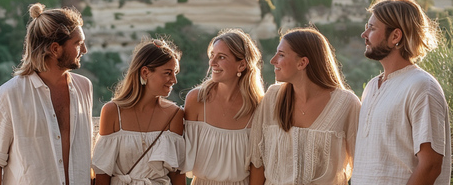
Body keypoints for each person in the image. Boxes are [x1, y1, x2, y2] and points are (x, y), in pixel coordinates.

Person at [0, 3, 92, 185]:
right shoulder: (8, 95)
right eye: (78, 43)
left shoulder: (84, 88)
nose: (84, 50)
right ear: (55, 49)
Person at [351, 0, 451, 184]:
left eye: (372, 29)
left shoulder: (421, 87)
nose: (364, 35)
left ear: (395, 36)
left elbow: (430, 165)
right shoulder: (372, 87)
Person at [248, 27, 361, 185]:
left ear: (302, 63)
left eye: (281, 55)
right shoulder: (272, 98)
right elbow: (257, 161)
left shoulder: (347, 104)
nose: (273, 60)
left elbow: (362, 165)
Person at [92, 38, 185, 185]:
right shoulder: (112, 112)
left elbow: (178, 174)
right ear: (145, 72)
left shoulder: (175, 114)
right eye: (168, 73)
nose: (174, 80)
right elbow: (102, 174)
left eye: (175, 73)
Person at [182, 28, 265, 185]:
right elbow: (179, 161)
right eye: (212, 55)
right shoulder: (196, 100)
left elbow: (258, 167)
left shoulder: (258, 108)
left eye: (221, 57)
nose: (212, 63)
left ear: (241, 65)